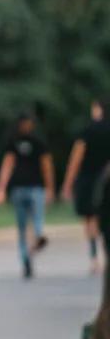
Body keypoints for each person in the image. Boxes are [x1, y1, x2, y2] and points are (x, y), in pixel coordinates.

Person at [0, 114, 55, 279]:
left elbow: (46, 165)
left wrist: (49, 188)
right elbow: (8, 164)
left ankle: (34, 243)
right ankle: (28, 255)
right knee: (25, 225)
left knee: (32, 223)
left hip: (33, 187)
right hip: (24, 188)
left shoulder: (36, 142)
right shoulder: (15, 142)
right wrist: (1, 188)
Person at [61, 100, 110, 273]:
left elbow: (76, 158)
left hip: (89, 180)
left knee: (90, 218)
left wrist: (67, 184)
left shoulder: (87, 131)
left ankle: (94, 257)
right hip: (106, 180)